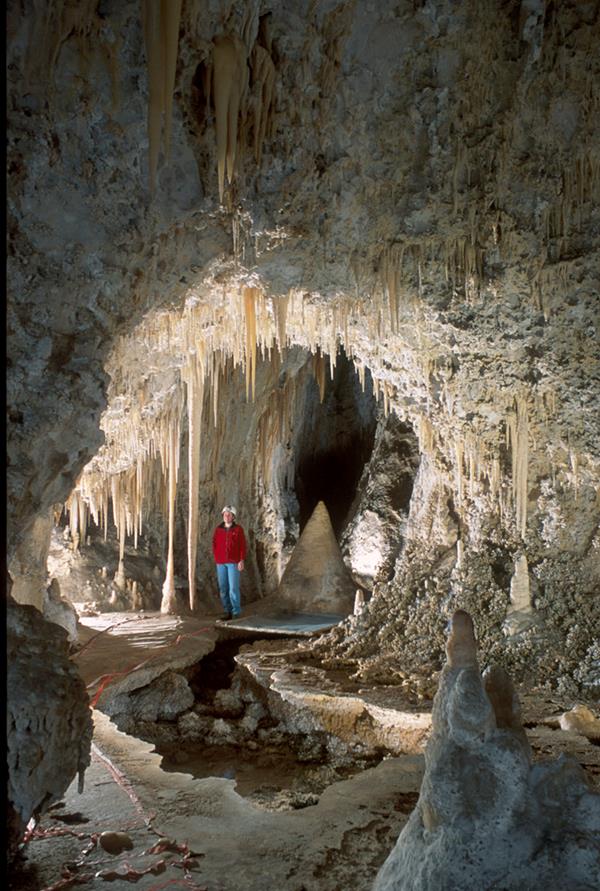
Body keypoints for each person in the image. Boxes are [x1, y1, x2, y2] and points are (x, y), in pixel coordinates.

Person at [212, 505, 247, 620]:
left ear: (233, 517)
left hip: (233, 562)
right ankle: (227, 611)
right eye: (225, 515)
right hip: (221, 562)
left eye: (229, 515)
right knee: (223, 588)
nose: (227, 517)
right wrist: (217, 556)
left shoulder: (238, 530)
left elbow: (242, 545)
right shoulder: (218, 529)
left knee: (233, 588)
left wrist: (241, 560)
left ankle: (236, 611)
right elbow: (214, 543)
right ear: (223, 516)